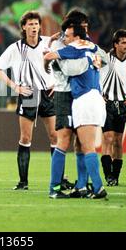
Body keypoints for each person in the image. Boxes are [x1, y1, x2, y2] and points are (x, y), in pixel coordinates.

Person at [0, 11, 57, 190]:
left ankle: (58, 179)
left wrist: (57, 82)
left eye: (36, 24)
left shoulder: (48, 43)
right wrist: (15, 87)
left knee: (54, 136)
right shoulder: (16, 48)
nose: (34, 27)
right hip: (28, 94)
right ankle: (23, 181)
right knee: (25, 137)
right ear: (23, 27)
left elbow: (62, 62)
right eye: (30, 24)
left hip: (47, 94)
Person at [44, 23, 107, 199]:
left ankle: (90, 186)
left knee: (84, 145)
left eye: (69, 35)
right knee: (73, 143)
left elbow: (50, 56)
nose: (67, 39)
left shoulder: (78, 47)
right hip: (80, 97)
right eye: (66, 35)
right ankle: (71, 187)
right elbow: (105, 58)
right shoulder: (88, 47)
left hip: (83, 99)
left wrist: (49, 61)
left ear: (78, 36)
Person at [46, 18, 90, 199]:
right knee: (63, 140)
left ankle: (81, 186)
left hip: (80, 96)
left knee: (82, 143)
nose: (84, 35)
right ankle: (54, 188)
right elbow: (72, 70)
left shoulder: (81, 45)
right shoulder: (58, 46)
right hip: (64, 96)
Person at [100, 29, 126, 186]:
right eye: (123, 42)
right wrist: (99, 93)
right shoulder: (105, 59)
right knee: (108, 138)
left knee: (118, 141)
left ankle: (115, 176)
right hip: (107, 104)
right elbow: (93, 73)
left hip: (122, 105)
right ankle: (108, 175)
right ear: (115, 44)